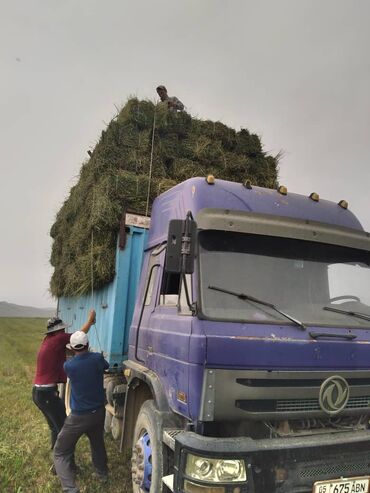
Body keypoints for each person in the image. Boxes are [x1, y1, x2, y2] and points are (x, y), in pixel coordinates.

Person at [32, 311, 96, 459]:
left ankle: (56, 457)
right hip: (47, 394)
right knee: (64, 429)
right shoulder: (58, 338)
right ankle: (63, 463)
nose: (64, 331)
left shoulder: (47, 341)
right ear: (59, 330)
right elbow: (78, 337)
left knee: (55, 428)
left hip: (38, 393)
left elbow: (63, 352)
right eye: (62, 329)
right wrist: (90, 321)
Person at [53, 330, 109, 493]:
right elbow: (104, 366)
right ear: (87, 345)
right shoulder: (97, 359)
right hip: (98, 413)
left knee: (60, 451)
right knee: (97, 443)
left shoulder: (68, 366)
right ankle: (102, 474)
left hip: (78, 417)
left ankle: (70, 489)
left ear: (72, 348)